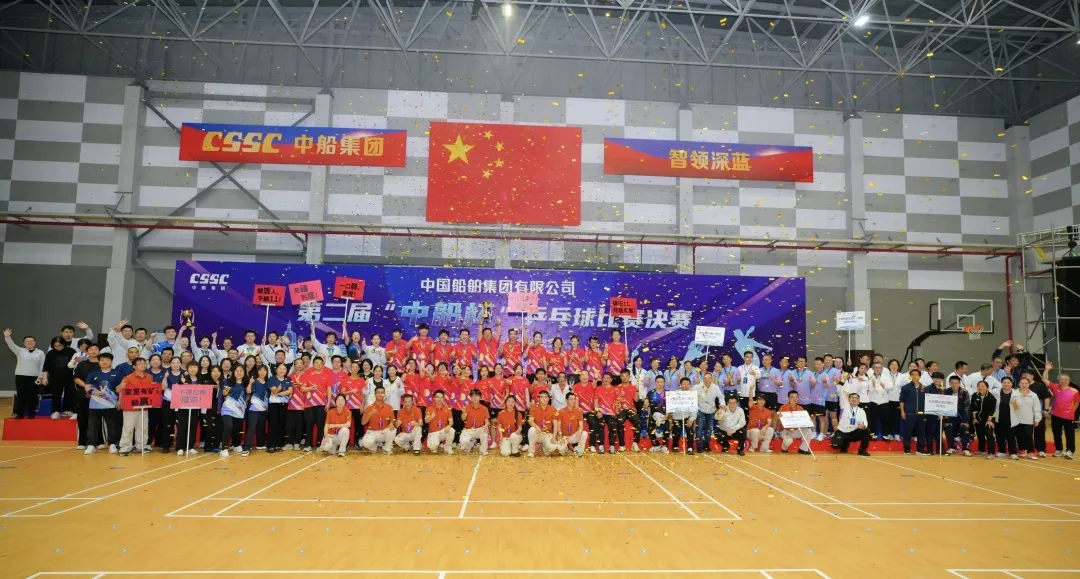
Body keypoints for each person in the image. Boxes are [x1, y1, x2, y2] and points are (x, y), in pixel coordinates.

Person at [84, 352, 123, 454]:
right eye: (102, 360)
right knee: (93, 425)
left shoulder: (117, 374)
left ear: (111, 361)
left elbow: (121, 389)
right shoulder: (93, 374)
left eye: (107, 360)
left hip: (111, 403)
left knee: (112, 425)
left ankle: (112, 444)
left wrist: (120, 400)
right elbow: (87, 386)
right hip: (95, 403)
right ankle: (91, 445)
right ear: (98, 361)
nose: (104, 362)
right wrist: (93, 392)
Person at [4, 328, 47, 419]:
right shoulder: (20, 351)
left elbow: (42, 365)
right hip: (21, 377)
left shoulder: (40, 352)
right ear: (24, 343)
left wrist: (40, 377)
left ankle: (31, 414)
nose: (30, 342)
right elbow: (11, 345)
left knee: (32, 396)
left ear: (35, 342)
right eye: (27, 341)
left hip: (34, 377)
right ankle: (20, 414)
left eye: (32, 341)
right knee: (21, 395)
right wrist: (7, 337)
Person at [116, 357, 154, 456]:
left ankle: (141, 446)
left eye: (144, 363)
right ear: (134, 366)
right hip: (130, 408)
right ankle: (125, 447)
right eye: (140, 363)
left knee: (143, 428)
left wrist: (153, 386)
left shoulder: (149, 377)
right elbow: (118, 390)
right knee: (128, 428)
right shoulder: (128, 378)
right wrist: (121, 388)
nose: (143, 365)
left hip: (144, 407)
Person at [1043, 362, 1078, 459]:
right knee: (1057, 433)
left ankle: (1070, 451)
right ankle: (1059, 449)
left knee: (1069, 434)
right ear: (1058, 380)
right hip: (1056, 415)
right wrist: (1047, 369)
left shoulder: (1074, 391)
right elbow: (1044, 379)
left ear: (1068, 381)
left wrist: (1071, 412)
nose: (1063, 381)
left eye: (1065, 379)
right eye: (1061, 379)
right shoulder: (1055, 387)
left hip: (1068, 417)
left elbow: (1076, 403)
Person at [72, 343, 101, 449]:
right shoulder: (82, 364)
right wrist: (86, 386)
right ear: (87, 352)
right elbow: (76, 378)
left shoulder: (103, 363)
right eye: (91, 349)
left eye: (96, 349)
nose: (93, 351)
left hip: (99, 395)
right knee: (83, 417)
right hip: (84, 394)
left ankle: (99, 441)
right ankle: (82, 442)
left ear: (99, 352)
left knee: (98, 418)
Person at [42, 337, 75, 419]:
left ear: (64, 344)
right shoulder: (50, 353)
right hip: (55, 377)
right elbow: (46, 367)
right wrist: (44, 378)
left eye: (59, 345)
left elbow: (76, 364)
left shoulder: (71, 351)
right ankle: (55, 411)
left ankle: (68, 410)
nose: (58, 347)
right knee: (56, 395)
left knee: (70, 394)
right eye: (55, 346)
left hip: (70, 377)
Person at [1011, 376, 1042, 460]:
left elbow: (1037, 408)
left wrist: (1037, 419)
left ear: (1029, 384)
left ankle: (1030, 452)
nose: (1024, 385)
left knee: (1028, 435)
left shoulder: (1033, 395)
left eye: (1026, 383)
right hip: (1016, 419)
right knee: (1018, 435)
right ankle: (1021, 450)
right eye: (1022, 383)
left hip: (1028, 419)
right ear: (1019, 384)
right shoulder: (1013, 393)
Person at [219, 366, 248, 457]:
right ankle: (224, 448)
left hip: (239, 409)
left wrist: (245, 402)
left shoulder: (246, 383)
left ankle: (236, 445)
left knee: (237, 428)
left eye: (241, 371)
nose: (239, 372)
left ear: (244, 372)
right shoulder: (227, 382)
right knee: (228, 426)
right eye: (237, 371)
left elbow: (248, 394)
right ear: (233, 372)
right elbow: (224, 393)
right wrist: (225, 391)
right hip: (228, 408)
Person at [242, 364, 270, 456]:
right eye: (260, 370)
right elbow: (248, 391)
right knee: (251, 427)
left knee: (261, 427)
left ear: (267, 372)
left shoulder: (268, 383)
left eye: (264, 370)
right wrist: (250, 383)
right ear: (257, 372)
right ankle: (246, 447)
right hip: (253, 409)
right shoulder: (254, 381)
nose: (262, 372)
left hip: (264, 409)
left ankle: (260, 444)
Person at [899, 368, 928, 455]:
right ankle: (907, 449)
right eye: (912, 374)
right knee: (908, 432)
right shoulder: (905, 387)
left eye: (916, 374)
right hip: (909, 413)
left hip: (921, 414)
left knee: (921, 432)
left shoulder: (924, 388)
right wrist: (902, 412)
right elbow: (902, 400)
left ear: (920, 376)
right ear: (910, 376)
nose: (914, 376)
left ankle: (920, 449)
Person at [175, 361, 202, 456]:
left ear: (198, 369)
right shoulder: (183, 379)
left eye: (195, 367)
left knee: (192, 427)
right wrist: (181, 384)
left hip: (195, 407)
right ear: (187, 369)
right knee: (182, 427)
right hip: (183, 407)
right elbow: (177, 392)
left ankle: (190, 447)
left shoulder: (200, 380)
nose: (193, 369)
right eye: (191, 367)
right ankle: (180, 447)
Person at [361, 385, 396, 454]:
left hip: (384, 432)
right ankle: (374, 447)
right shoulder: (369, 408)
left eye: (382, 392)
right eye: (378, 392)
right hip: (372, 431)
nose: (380, 394)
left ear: (384, 394)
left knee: (392, 430)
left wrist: (392, 423)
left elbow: (393, 419)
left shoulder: (389, 407)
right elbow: (363, 423)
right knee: (366, 443)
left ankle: (387, 448)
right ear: (375, 394)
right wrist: (370, 414)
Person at [159, 357, 183, 453]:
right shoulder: (166, 373)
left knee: (180, 425)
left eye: (177, 363)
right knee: (167, 425)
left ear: (181, 364)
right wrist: (165, 377)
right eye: (173, 362)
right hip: (168, 402)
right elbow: (163, 388)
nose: (175, 364)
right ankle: (166, 445)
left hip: (180, 403)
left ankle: (179, 446)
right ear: (170, 364)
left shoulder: (184, 374)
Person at [944, 375, 971, 456]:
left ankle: (966, 449)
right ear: (949, 383)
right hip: (950, 417)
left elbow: (967, 407)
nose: (954, 385)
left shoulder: (964, 392)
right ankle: (951, 447)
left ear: (959, 383)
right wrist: (946, 419)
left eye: (956, 383)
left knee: (964, 428)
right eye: (952, 383)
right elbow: (943, 405)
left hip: (961, 416)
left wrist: (965, 421)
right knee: (948, 427)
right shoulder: (946, 392)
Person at [266, 362, 291, 452]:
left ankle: (279, 444)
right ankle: (271, 445)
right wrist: (278, 390)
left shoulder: (288, 379)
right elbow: (273, 391)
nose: (282, 370)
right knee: (273, 424)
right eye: (280, 369)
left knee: (281, 424)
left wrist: (279, 393)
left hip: (284, 405)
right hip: (274, 405)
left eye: (284, 369)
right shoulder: (272, 379)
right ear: (276, 370)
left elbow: (290, 391)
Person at [695, 372, 723, 453]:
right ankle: (699, 446)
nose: (707, 380)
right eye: (705, 378)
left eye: (709, 378)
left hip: (711, 411)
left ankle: (706, 445)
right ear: (703, 379)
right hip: (700, 410)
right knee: (699, 428)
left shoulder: (715, 387)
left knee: (709, 429)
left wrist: (722, 405)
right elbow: (690, 394)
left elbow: (721, 397)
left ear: (712, 379)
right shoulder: (697, 387)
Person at [970, 380, 997, 459]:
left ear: (987, 388)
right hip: (978, 418)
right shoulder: (975, 395)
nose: (980, 388)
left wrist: (989, 420)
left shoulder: (991, 397)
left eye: (982, 386)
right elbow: (973, 407)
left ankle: (991, 452)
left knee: (989, 434)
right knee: (980, 433)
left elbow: (992, 410)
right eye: (979, 386)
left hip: (989, 418)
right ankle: (982, 450)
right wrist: (974, 418)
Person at [777, 391, 811, 455]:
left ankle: (803, 449)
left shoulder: (800, 408)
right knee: (788, 441)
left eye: (796, 397)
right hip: (785, 430)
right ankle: (784, 449)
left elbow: (803, 421)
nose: (794, 399)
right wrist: (779, 417)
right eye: (792, 397)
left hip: (796, 430)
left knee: (809, 431)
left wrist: (807, 420)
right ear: (788, 398)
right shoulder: (783, 407)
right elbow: (777, 419)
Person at [669, 378, 697, 455]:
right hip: (677, 416)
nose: (686, 385)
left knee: (690, 432)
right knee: (676, 432)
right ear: (680, 385)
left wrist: (691, 419)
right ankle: (675, 446)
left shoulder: (692, 394)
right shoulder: (675, 394)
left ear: (690, 385)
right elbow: (671, 405)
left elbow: (694, 408)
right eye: (684, 383)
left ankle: (690, 447)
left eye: (687, 383)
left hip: (688, 417)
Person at [526, 390, 558, 457]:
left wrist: (554, 436)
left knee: (551, 449)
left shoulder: (553, 409)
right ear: (538, 399)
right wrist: (536, 427)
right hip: (538, 433)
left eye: (546, 397)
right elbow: (530, 421)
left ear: (549, 399)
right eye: (542, 397)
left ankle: (544, 446)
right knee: (532, 430)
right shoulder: (534, 408)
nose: (544, 399)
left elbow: (555, 425)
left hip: (547, 434)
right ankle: (531, 451)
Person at [459, 389, 490, 455]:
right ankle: (469, 445)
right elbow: (463, 419)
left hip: (479, 429)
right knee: (462, 441)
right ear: (471, 397)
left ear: (480, 397)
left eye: (477, 396)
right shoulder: (467, 407)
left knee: (485, 431)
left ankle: (483, 450)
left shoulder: (484, 408)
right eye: (473, 396)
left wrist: (486, 425)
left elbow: (487, 421)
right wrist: (463, 412)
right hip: (469, 429)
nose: (475, 398)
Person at [556, 391, 587, 457]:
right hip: (564, 437)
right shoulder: (561, 412)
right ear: (566, 400)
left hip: (574, 436)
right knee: (561, 452)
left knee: (584, 433)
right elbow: (558, 427)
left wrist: (580, 431)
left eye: (574, 399)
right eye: (571, 399)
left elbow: (581, 426)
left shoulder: (579, 411)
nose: (573, 401)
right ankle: (565, 447)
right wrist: (561, 436)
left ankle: (579, 451)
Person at [595, 372, 619, 453]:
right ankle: (601, 446)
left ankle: (612, 446)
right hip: (601, 412)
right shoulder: (598, 389)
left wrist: (616, 411)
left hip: (611, 413)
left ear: (611, 380)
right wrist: (597, 411)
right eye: (604, 377)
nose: (605, 379)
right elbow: (595, 402)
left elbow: (617, 402)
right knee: (600, 427)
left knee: (613, 427)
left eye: (608, 378)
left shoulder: (615, 389)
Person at [425, 390, 455, 455]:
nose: (439, 399)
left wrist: (449, 425)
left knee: (451, 430)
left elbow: (451, 421)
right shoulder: (429, 408)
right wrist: (431, 417)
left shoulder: (447, 409)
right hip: (433, 432)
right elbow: (426, 421)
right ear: (434, 398)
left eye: (441, 397)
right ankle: (435, 445)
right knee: (433, 448)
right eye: (437, 397)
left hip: (443, 431)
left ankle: (448, 448)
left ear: (443, 399)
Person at [996, 377, 1019, 459]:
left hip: (1010, 418)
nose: (1006, 384)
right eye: (1004, 382)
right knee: (999, 435)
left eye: (1008, 382)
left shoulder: (1016, 394)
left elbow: (1018, 408)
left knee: (1011, 436)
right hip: (999, 418)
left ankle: (1013, 452)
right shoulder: (996, 392)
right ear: (1001, 383)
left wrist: (1014, 404)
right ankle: (1002, 451)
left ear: (1011, 384)